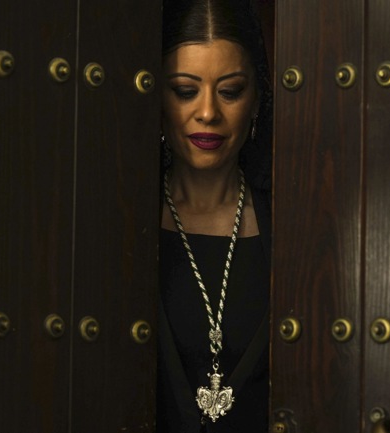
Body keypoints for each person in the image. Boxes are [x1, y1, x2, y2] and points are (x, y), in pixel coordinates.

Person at [157, 0, 272, 432]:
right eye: (186, 90)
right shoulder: (119, 226)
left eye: (230, 91)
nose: (207, 112)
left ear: (256, 100)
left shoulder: (292, 228)